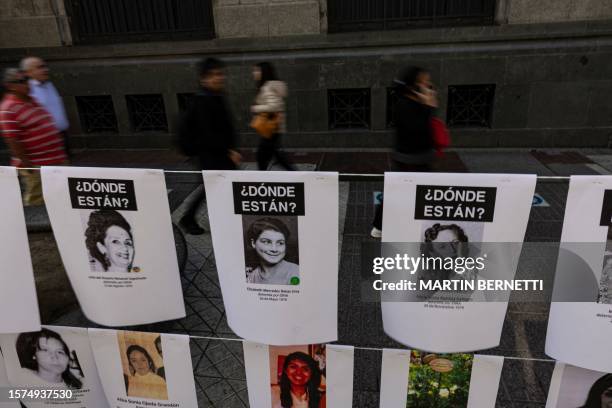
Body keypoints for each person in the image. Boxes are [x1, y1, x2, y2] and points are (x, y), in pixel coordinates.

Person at [371, 66, 437, 238]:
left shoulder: (415, 102)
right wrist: (429, 107)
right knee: (396, 191)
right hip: (409, 158)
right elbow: (420, 129)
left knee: (412, 190)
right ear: (413, 85)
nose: (428, 86)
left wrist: (427, 105)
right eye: (423, 82)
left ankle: (407, 222)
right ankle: (379, 226)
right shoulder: (404, 104)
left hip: (418, 156)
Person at [178, 57, 241, 235]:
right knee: (213, 187)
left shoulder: (216, 96)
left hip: (218, 153)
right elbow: (209, 133)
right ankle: (189, 218)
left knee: (215, 186)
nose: (218, 78)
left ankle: (222, 218)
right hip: (211, 154)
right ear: (203, 79)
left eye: (220, 74)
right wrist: (228, 151)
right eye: (213, 75)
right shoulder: (204, 100)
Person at [0, 68, 67, 206]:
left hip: (55, 161)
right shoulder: (8, 108)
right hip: (36, 166)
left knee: (61, 199)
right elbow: (12, 140)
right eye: (21, 81)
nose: (27, 84)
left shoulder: (32, 100)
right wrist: (28, 166)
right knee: (37, 203)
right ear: (10, 86)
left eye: (27, 79)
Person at [20, 57, 70, 158]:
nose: (46, 70)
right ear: (28, 72)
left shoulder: (49, 84)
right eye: (40, 67)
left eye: (45, 66)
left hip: (61, 135)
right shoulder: (27, 90)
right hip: (45, 141)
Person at [251, 62, 294, 171]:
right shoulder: (271, 86)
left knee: (261, 156)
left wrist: (256, 108)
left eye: (257, 70)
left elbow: (273, 106)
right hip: (274, 127)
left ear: (264, 72)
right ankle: (294, 174)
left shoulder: (267, 87)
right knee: (276, 156)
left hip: (271, 127)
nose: (254, 73)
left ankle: (263, 179)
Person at [16, 328, 83, 389]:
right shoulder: (22, 378)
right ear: (34, 355)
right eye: (45, 350)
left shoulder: (78, 384)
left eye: (60, 352)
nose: (55, 357)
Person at [245, 217, 299, 285]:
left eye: (280, 243)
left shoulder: (296, 272)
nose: (274, 249)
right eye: (266, 242)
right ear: (253, 243)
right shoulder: (251, 277)